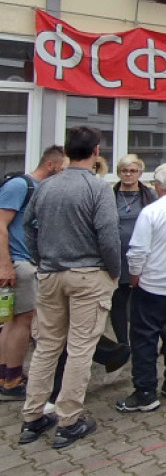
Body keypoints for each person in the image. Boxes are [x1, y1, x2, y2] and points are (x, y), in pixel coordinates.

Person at [18, 126, 120, 449]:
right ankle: (68, 421)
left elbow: (28, 226)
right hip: (88, 274)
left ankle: (32, 416)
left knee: (46, 346)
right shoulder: (98, 187)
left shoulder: (46, 186)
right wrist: (114, 272)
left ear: (66, 151)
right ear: (97, 151)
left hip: (50, 274)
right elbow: (108, 235)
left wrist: (41, 259)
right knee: (79, 349)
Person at [116, 163, 166, 413]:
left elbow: (138, 250)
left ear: (159, 185)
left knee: (145, 339)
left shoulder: (151, 211)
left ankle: (146, 391)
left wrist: (134, 276)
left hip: (153, 284)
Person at [0, 145, 65, 402]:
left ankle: (6, 373)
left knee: (12, 320)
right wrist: (6, 264)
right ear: (51, 165)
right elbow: (0, 224)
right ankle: (12, 380)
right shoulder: (21, 186)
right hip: (20, 265)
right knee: (23, 321)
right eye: (63, 168)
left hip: (26, 264)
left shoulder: (41, 189)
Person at [111, 154, 158, 348]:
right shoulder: (110, 195)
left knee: (148, 299)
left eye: (133, 171)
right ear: (118, 173)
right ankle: (123, 344)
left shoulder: (149, 195)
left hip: (145, 255)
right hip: (117, 256)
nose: (128, 174)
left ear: (140, 173)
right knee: (119, 300)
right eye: (124, 171)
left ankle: (158, 338)